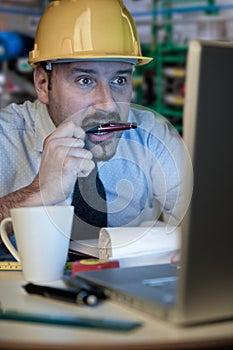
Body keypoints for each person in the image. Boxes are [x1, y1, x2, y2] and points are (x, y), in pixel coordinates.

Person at [0, 0, 191, 256]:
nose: (108, 104)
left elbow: (209, 219)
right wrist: (37, 193)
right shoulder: (6, 136)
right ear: (43, 83)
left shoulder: (151, 135)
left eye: (119, 79)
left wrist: (201, 243)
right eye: (85, 80)